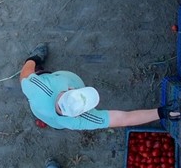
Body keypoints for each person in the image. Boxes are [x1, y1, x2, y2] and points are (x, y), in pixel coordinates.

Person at [18, 43, 167, 131]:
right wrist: (160, 112)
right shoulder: (82, 120)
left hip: (42, 111)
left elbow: (24, 74)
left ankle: (40, 64)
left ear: (69, 91)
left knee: (36, 76)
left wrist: (33, 59)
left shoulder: (39, 87)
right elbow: (123, 119)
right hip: (53, 118)